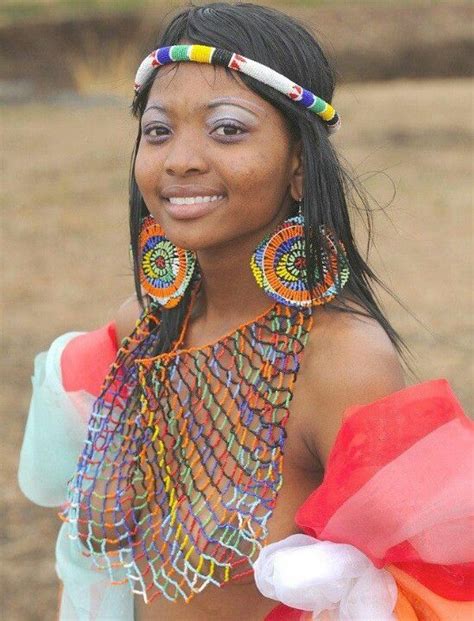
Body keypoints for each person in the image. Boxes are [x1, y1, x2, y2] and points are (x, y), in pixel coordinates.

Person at [18, 3, 473, 620]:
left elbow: (416, 588)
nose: (181, 159)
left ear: (298, 168)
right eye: (158, 131)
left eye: (226, 129)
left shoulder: (340, 360)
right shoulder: (143, 328)